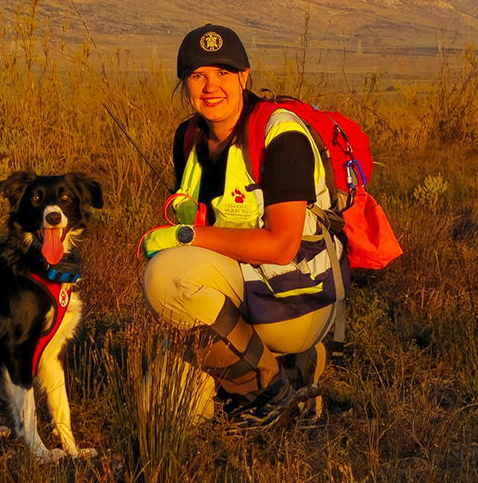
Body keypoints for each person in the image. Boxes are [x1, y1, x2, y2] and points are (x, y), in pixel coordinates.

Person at [139, 24, 349, 425]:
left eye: (223, 73)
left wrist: (185, 236)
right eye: (198, 74)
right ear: (184, 83)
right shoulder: (188, 137)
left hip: (298, 296)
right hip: (242, 290)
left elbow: (282, 246)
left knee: (163, 276)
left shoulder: (280, 132)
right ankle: (292, 370)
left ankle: (273, 391)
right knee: (163, 407)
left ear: (245, 76)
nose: (210, 86)